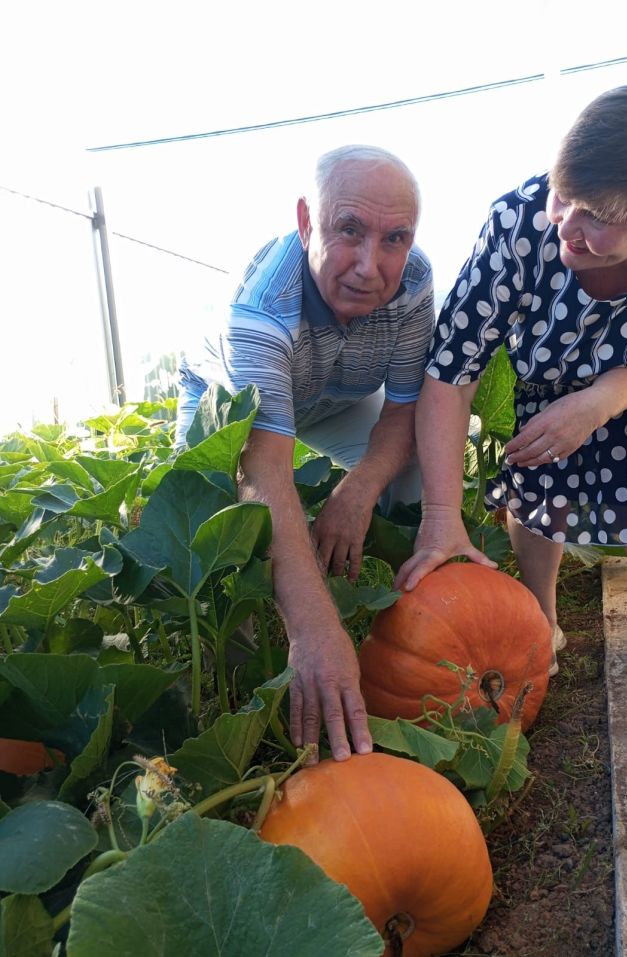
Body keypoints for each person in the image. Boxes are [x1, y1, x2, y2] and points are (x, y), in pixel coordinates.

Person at [396, 83, 627, 693]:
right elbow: (451, 369)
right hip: (542, 379)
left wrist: (600, 400)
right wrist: (441, 515)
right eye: (563, 196)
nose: (565, 225)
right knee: (539, 463)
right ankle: (540, 615)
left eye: (599, 217)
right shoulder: (517, 222)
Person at [176, 145, 435, 758]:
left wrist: (359, 489)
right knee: (213, 531)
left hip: (340, 395)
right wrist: (314, 629)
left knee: (414, 469)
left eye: (394, 238)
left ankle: (409, 626)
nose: (370, 266)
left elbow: (402, 413)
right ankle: (243, 687)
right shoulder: (262, 312)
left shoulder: (415, 282)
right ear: (305, 222)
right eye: (349, 230)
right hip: (225, 399)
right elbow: (264, 467)